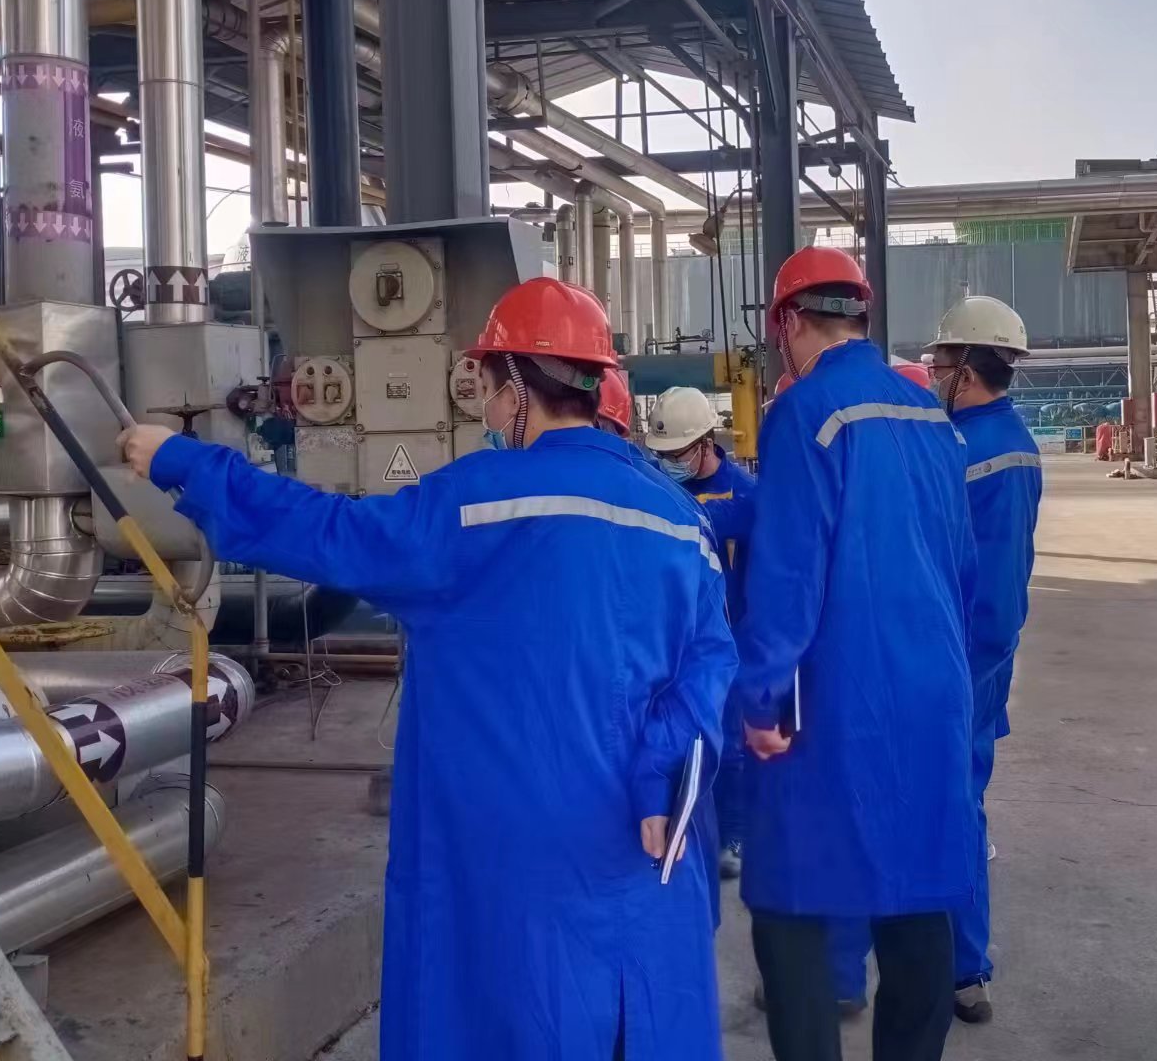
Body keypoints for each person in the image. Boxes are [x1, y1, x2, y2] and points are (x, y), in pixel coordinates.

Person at [117, 278, 737, 1061]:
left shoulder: (474, 506)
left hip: (514, 854)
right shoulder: (678, 517)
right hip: (646, 847)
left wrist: (181, 462)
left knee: (509, 1019)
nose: (486, 411)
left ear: (517, 386)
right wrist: (659, 771)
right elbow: (713, 662)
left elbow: (328, 532)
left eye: (487, 389)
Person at [738, 245, 979, 1061]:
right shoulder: (931, 418)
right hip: (934, 687)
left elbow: (788, 574)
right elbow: (963, 566)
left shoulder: (806, 413)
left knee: (790, 896)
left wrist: (762, 698)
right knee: (918, 886)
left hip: (842, 693)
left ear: (788, 322)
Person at [925, 295, 1043, 1025]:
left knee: (950, 804)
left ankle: (961, 966)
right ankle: (958, 963)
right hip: (986, 648)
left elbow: (975, 577)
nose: (934, 372)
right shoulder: (1006, 438)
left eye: (940, 362)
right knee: (958, 799)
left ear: (966, 369)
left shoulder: (966, 449)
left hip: (961, 652)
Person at [646, 386, 759, 881]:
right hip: (671, 638)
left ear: (705, 443)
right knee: (672, 736)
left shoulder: (744, 496)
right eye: (663, 454)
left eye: (677, 453)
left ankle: (734, 836)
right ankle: (682, 829)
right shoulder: (658, 489)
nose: (669, 462)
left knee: (729, 744)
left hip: (728, 639)